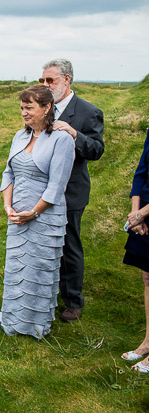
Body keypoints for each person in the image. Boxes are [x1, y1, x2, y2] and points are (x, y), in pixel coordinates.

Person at [0, 85, 75, 339]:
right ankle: (14, 318)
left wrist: (34, 212)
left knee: (39, 268)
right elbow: (9, 172)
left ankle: (35, 324)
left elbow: (57, 185)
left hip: (45, 217)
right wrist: (9, 206)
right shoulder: (19, 136)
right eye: (22, 108)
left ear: (47, 107)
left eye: (29, 108)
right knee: (18, 267)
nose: (24, 113)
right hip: (17, 216)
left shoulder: (61, 140)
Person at [40, 59, 105, 322]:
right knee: (44, 242)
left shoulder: (88, 112)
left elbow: (97, 150)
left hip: (71, 191)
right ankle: (45, 294)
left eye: (50, 81)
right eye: (42, 80)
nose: (45, 85)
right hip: (42, 189)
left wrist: (75, 134)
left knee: (69, 244)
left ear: (66, 80)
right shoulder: (43, 108)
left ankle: (73, 301)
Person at [120, 124, 149, 372]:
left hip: (146, 214)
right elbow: (141, 173)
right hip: (143, 217)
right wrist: (134, 214)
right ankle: (148, 342)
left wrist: (142, 214)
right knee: (147, 277)